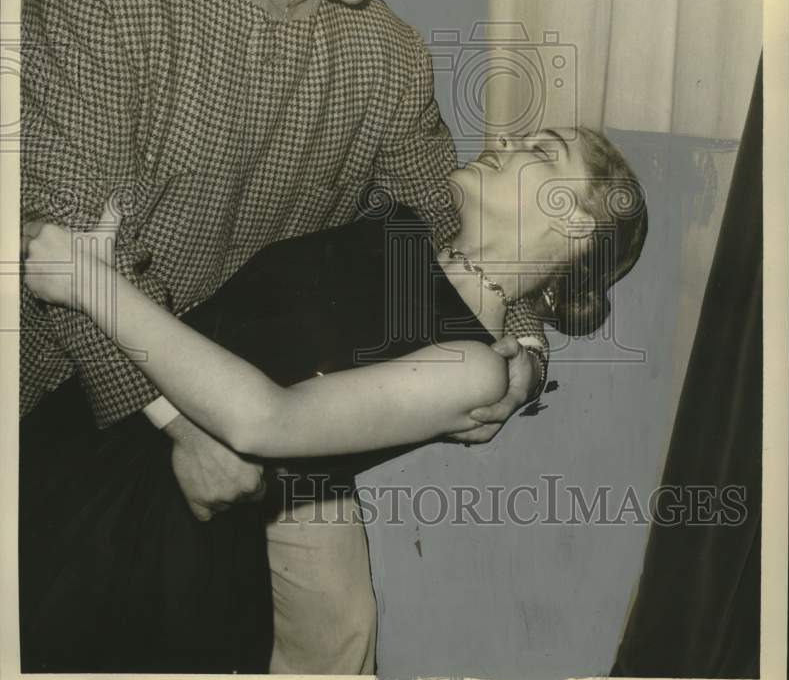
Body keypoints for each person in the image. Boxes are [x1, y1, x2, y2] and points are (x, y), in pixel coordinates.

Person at [18, 0, 547, 674]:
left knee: (340, 628)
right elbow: (52, 243)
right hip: (79, 399)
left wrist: (527, 355)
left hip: (269, 413)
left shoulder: (389, 56)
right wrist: (183, 426)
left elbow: (453, 217)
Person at [23, 124, 648, 532]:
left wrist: (95, 288)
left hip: (145, 524)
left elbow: (263, 421)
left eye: (541, 153)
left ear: (575, 228)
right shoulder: (398, 225)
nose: (505, 138)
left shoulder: (476, 369)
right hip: (81, 430)